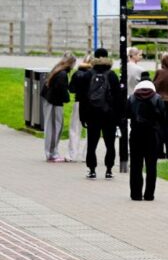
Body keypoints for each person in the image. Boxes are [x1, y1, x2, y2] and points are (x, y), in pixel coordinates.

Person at [83, 48, 122, 180]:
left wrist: (83, 116)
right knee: (110, 144)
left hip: (92, 114)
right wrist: (118, 117)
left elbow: (83, 97)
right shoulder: (112, 75)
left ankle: (92, 169)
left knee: (92, 143)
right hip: (109, 115)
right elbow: (118, 98)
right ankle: (109, 170)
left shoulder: (88, 75)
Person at [125, 77, 165, 201]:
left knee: (136, 165)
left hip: (136, 134)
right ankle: (149, 194)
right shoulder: (157, 98)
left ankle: (135, 194)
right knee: (151, 166)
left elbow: (127, 114)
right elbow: (163, 117)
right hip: (152, 134)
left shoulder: (131, 98)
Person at [40, 53, 76, 162]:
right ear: (71, 63)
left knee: (54, 126)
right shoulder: (62, 74)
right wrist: (67, 98)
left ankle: (52, 152)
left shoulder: (58, 69)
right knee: (54, 127)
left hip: (51, 100)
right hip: (54, 102)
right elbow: (61, 89)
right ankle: (51, 153)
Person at [67, 54, 93, 163]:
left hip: (79, 102)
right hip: (92, 104)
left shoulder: (77, 73)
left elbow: (71, 89)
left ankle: (72, 154)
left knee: (75, 129)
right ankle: (86, 155)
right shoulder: (94, 75)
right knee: (91, 131)